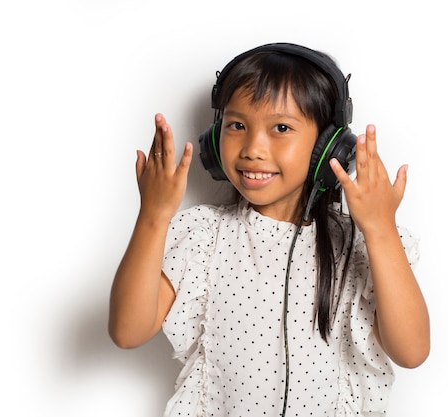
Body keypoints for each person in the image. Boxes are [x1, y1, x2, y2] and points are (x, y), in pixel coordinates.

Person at [108, 42, 430, 417]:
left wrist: (380, 231)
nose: (253, 148)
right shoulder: (203, 236)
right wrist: (153, 215)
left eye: (280, 127)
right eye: (237, 125)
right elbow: (127, 332)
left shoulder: (359, 246)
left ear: (328, 149)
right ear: (215, 136)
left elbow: (412, 351)